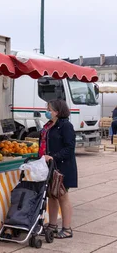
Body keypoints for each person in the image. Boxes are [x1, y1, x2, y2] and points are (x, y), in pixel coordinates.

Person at [40, 99, 76, 239]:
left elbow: (69, 148)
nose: (47, 111)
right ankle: (52, 225)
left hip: (62, 167)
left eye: (49, 109)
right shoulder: (49, 125)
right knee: (52, 196)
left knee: (62, 196)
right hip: (49, 166)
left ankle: (67, 229)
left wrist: (53, 157)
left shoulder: (66, 126)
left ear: (58, 111)